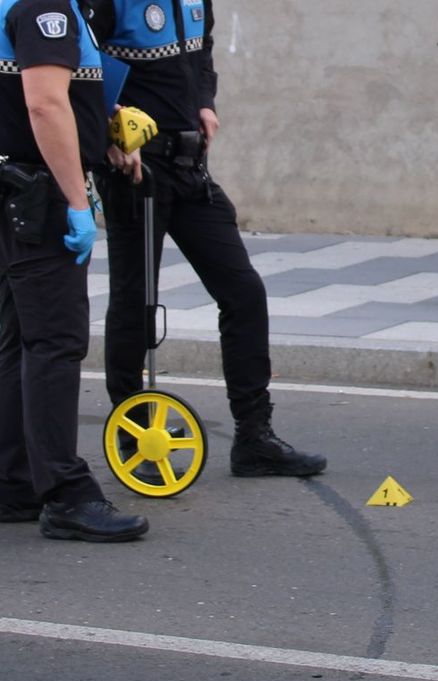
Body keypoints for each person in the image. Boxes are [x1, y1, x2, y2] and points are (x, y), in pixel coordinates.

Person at [85, 0, 326, 479]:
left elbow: (200, 50)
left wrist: (204, 101)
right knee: (135, 303)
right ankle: (135, 439)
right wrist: (107, 138)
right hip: (136, 165)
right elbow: (83, 66)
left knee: (244, 292)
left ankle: (255, 438)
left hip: (190, 165)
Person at [0, 0, 149, 542]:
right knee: (55, 342)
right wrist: (77, 201)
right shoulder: (48, 6)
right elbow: (44, 106)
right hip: (36, 199)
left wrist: (104, 135)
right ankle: (66, 495)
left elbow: (63, 97)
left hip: (15, 191)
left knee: (24, 339)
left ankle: (15, 484)